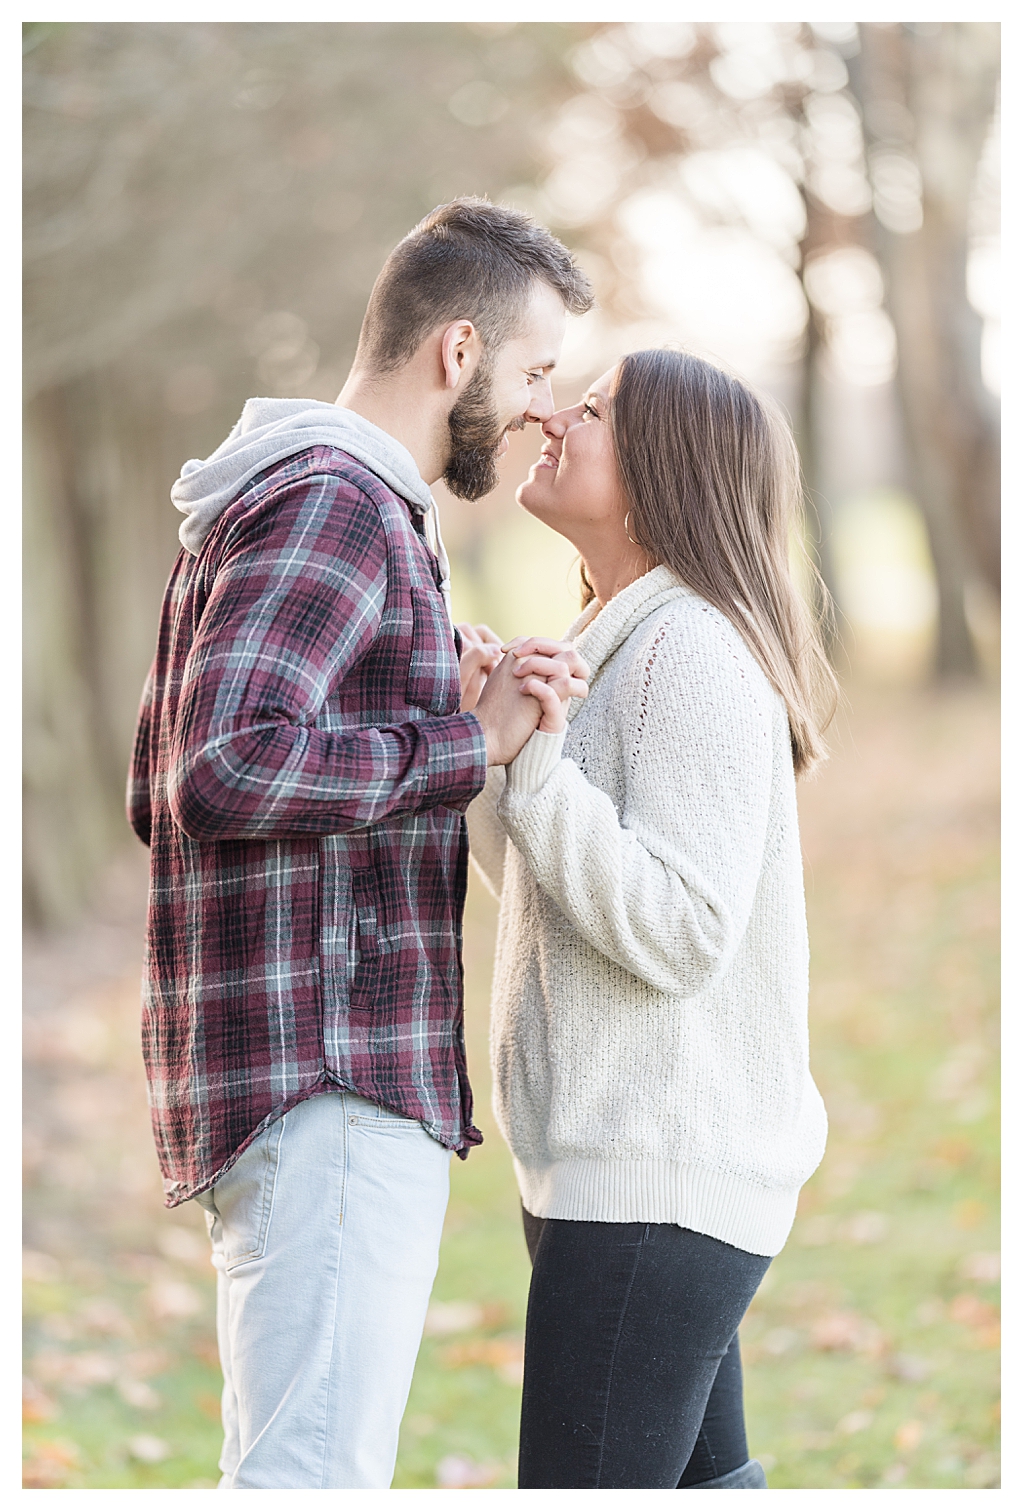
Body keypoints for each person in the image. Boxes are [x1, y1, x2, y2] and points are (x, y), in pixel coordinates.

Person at [126, 197, 592, 1490]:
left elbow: (175, 776)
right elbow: (216, 765)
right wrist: (469, 744)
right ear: (457, 351)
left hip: (294, 1066)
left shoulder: (297, 498)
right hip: (323, 1073)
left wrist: (425, 701)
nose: (542, 405)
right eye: (534, 368)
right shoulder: (333, 501)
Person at [463, 349, 838, 1489]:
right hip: (611, 1173)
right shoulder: (617, 638)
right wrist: (490, 749)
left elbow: (681, 928)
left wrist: (537, 771)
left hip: (658, 1182)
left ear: (659, 470)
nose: (552, 416)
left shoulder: (692, 652)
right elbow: (550, 888)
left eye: (592, 410)